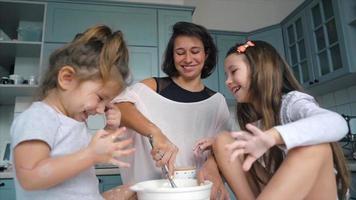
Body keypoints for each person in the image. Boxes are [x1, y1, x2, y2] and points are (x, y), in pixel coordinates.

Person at [10, 25, 135, 200]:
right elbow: (30, 177)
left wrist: (110, 130)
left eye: (107, 104)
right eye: (100, 98)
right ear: (67, 78)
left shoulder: (75, 123)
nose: (100, 110)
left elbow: (88, 155)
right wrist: (91, 155)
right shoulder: (38, 117)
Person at [213, 40, 350, 200]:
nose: (227, 81)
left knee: (316, 147)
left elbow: (337, 123)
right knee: (223, 140)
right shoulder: (255, 121)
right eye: (226, 75)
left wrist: (273, 136)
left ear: (260, 68)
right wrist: (212, 157)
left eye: (234, 71)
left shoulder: (292, 102)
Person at [113, 21, 233, 199]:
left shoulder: (217, 102)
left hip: (196, 193)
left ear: (206, 54)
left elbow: (224, 147)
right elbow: (118, 107)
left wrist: (214, 166)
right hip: (152, 192)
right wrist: (154, 132)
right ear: (172, 55)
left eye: (195, 51)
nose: (188, 59)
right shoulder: (153, 87)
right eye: (180, 52)